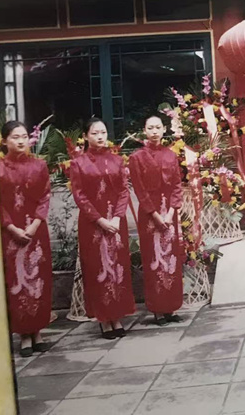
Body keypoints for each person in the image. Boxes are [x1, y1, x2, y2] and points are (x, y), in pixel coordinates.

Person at [69, 117, 135, 337]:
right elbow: (79, 195)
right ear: (86, 136)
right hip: (92, 224)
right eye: (95, 133)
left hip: (115, 222)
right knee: (97, 268)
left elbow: (124, 190)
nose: (100, 137)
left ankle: (117, 315)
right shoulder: (78, 163)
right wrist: (99, 220)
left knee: (118, 267)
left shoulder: (116, 160)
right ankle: (104, 319)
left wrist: (117, 217)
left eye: (103, 133)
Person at [0, 121, 53, 357]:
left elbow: (45, 196)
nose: (21, 141)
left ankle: (38, 332)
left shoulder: (39, 165)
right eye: (15, 137)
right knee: (16, 280)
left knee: (38, 278)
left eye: (24, 136)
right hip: (10, 232)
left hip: (36, 231)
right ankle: (23, 335)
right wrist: (11, 227)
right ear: (4, 141)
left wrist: (35, 224)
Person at [128, 115, 184, 326]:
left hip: (169, 214)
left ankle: (171, 307)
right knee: (154, 259)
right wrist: (155, 214)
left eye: (157, 127)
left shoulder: (171, 155)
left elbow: (177, 185)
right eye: (150, 128)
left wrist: (170, 213)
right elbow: (140, 190)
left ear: (164, 130)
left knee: (171, 259)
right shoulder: (137, 157)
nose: (154, 132)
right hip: (149, 215)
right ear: (144, 130)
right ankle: (158, 310)